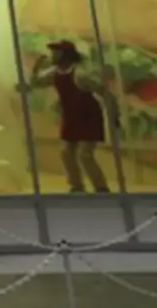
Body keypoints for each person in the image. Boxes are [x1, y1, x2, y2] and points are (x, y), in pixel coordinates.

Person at [27, 40, 112, 193]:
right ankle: (76, 185)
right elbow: (36, 83)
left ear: (66, 56)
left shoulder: (80, 74)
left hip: (88, 116)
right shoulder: (55, 73)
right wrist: (37, 67)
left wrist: (114, 112)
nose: (53, 55)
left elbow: (101, 89)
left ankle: (101, 187)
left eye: (57, 52)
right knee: (66, 153)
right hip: (71, 116)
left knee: (85, 154)